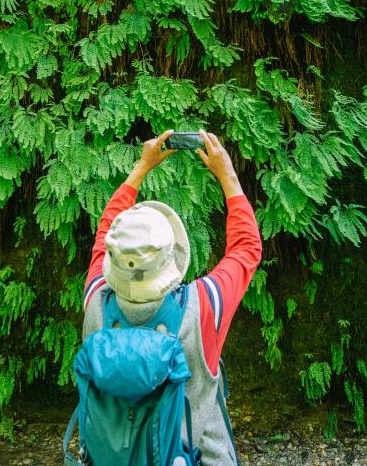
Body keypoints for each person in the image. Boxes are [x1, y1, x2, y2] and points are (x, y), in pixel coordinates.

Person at [81, 129, 263, 466]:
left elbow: (105, 232)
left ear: (112, 261)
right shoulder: (202, 306)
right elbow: (247, 249)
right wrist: (228, 176)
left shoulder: (96, 301)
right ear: (173, 257)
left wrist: (140, 167)